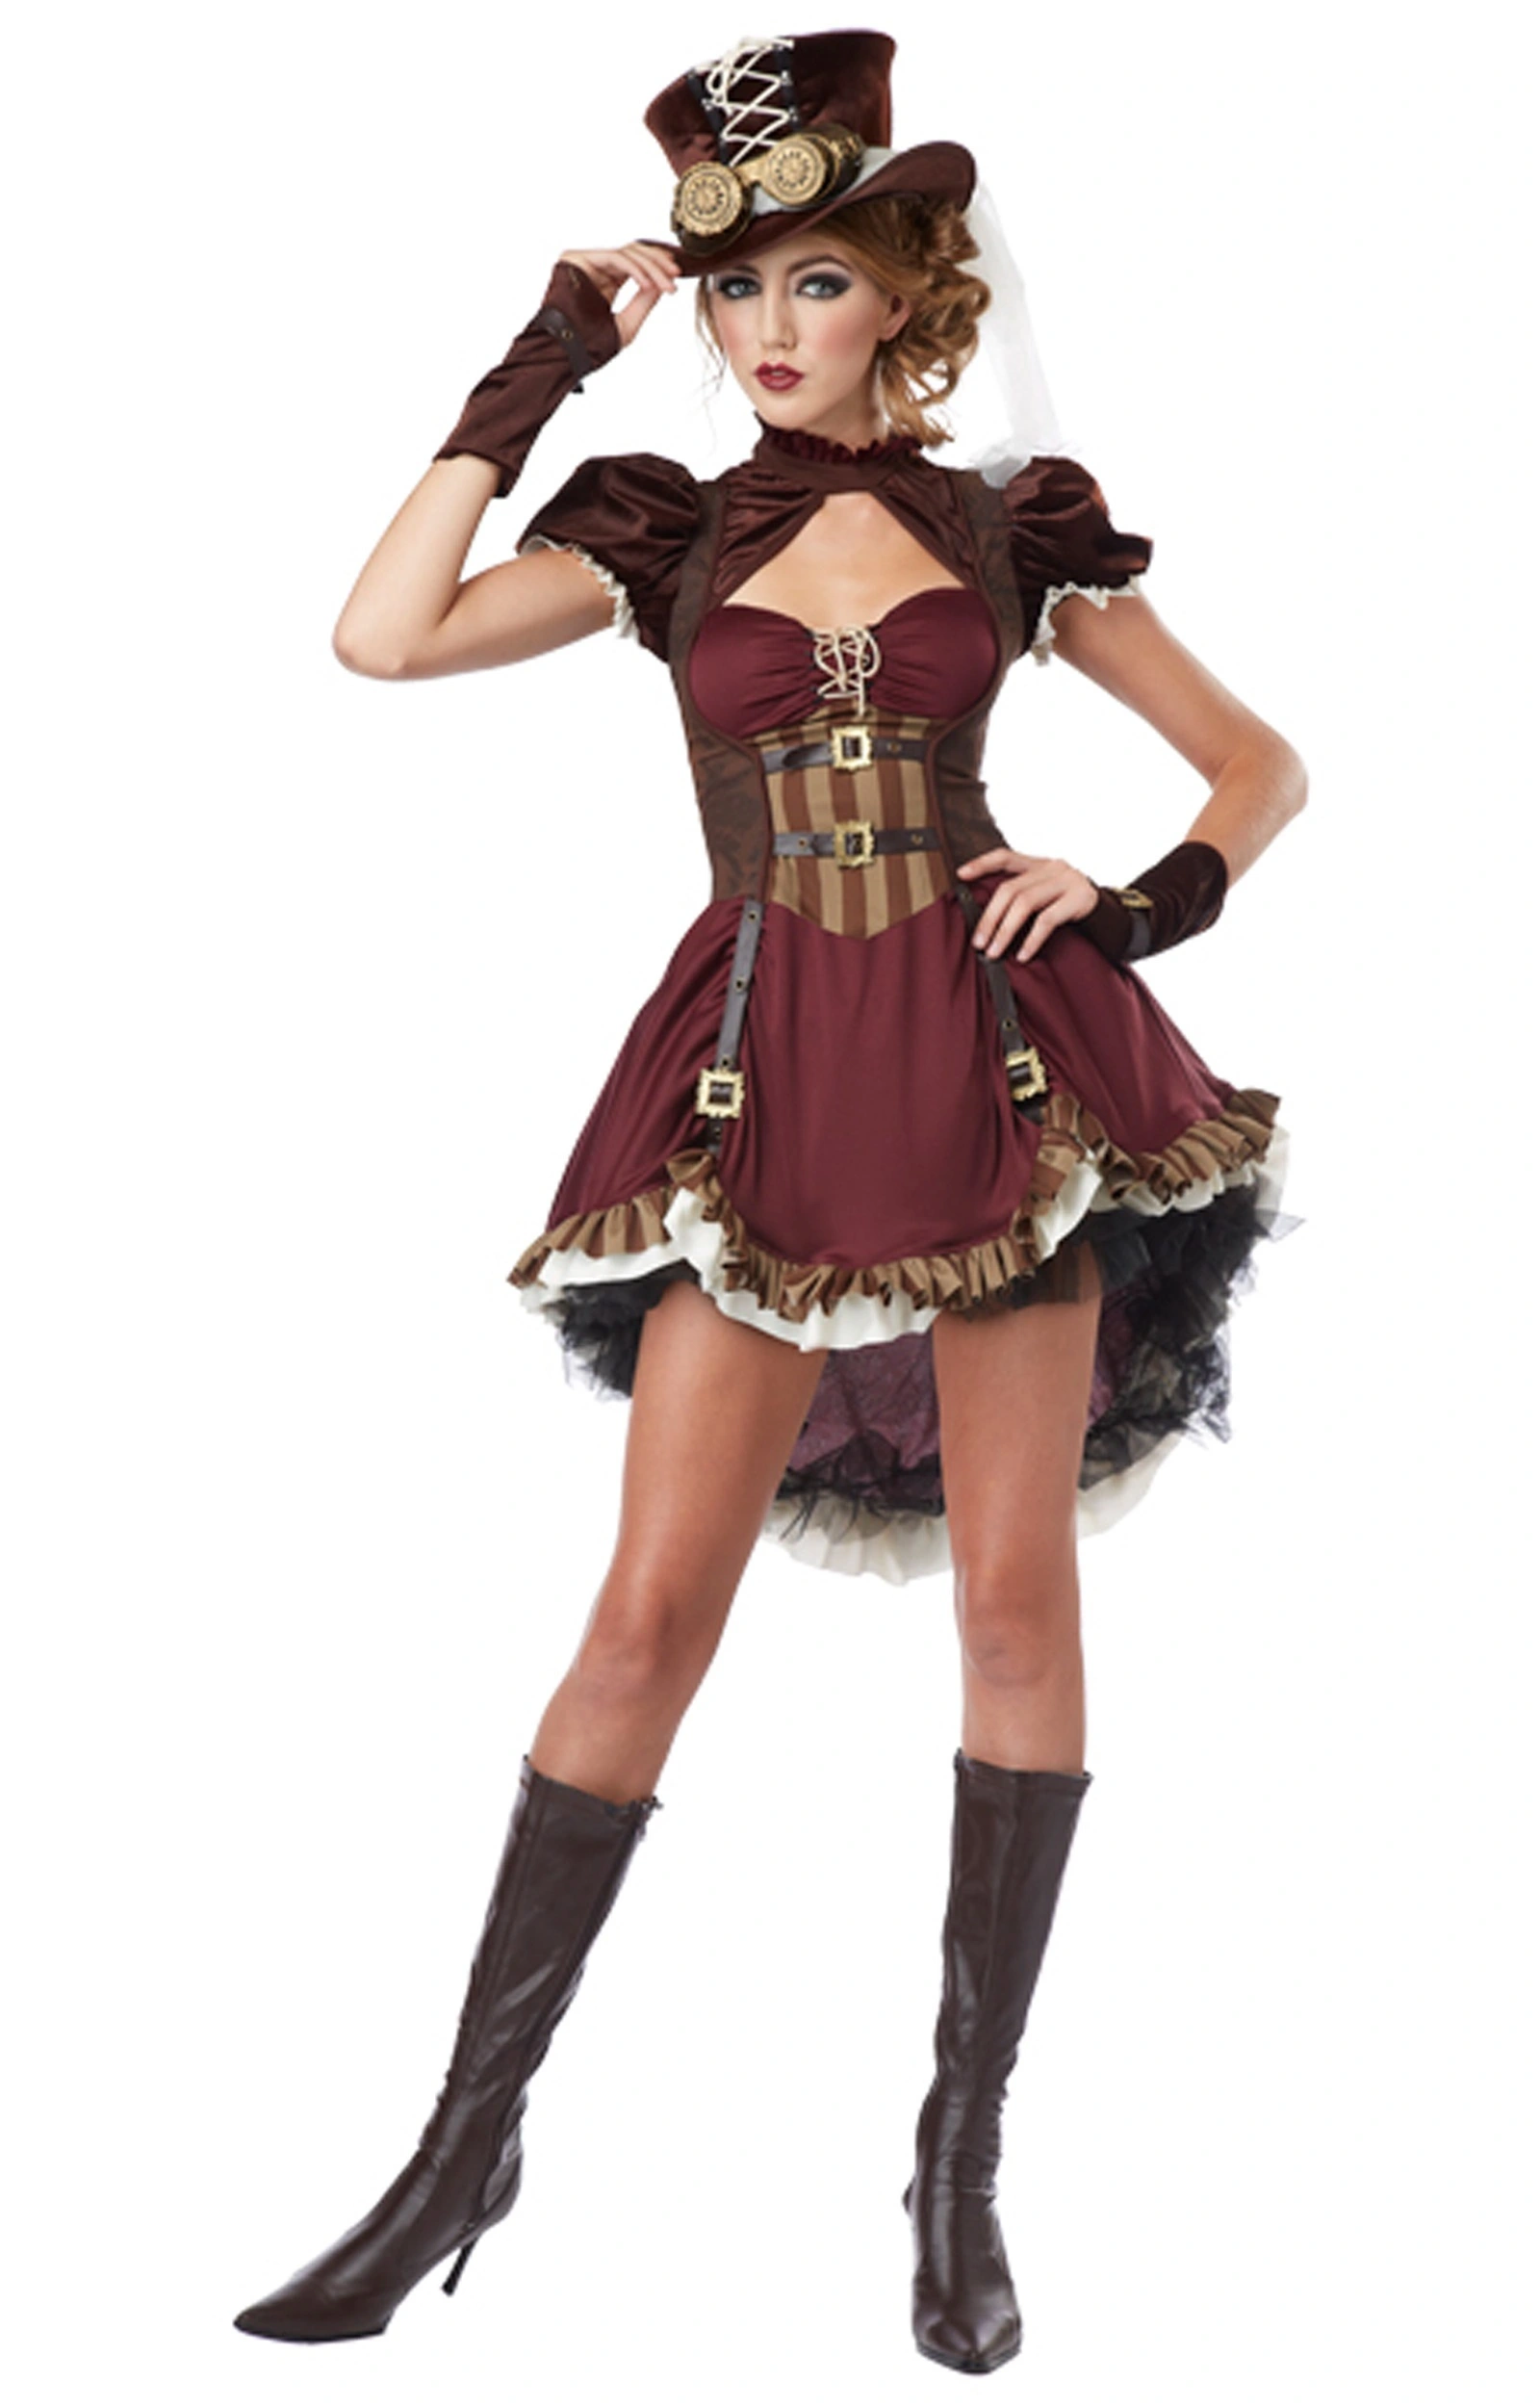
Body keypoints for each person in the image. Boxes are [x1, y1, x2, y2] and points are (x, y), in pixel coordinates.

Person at [233, 27, 1306, 2376]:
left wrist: (1134, 901)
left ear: (905, 288)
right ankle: (458, 2148)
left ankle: (956, 2160)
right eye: (732, 290)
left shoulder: (1012, 528)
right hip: (755, 1077)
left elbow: (1257, 758)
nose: (764, 327)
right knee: (642, 1621)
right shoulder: (665, 530)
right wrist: (538, 357)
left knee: (1011, 1603)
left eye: (811, 279)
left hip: (998, 1073)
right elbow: (381, 634)